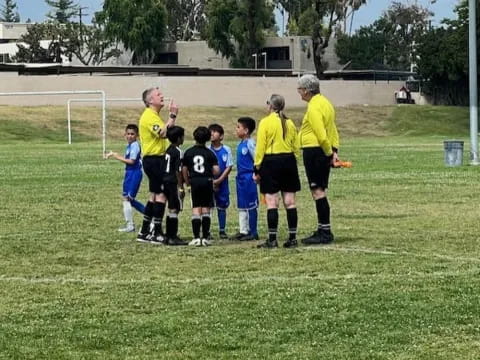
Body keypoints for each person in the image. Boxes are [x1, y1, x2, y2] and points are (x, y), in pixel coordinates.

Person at [297, 74, 339, 245]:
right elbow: (333, 130)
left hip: (315, 151)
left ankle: (325, 231)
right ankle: (323, 227)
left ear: (307, 90)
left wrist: (329, 153)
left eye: (300, 89)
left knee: (318, 191)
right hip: (322, 151)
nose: (299, 93)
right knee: (319, 189)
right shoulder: (326, 103)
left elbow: (322, 134)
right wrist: (334, 150)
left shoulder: (314, 107)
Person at [253, 94, 300, 248]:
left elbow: (260, 146)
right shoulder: (290, 123)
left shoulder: (266, 122)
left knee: (272, 202)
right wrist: (294, 159)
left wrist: (257, 166)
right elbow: (296, 145)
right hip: (289, 161)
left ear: (270, 106)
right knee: (290, 202)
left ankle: (272, 239)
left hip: (271, 161)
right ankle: (292, 237)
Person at [136, 87, 178, 244]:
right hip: (154, 160)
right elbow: (163, 133)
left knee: (153, 195)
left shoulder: (154, 116)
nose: (162, 96)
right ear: (150, 101)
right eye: (158, 95)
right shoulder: (149, 116)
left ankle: (145, 230)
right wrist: (172, 116)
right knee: (162, 194)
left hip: (153, 159)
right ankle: (157, 232)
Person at [182, 126, 220, 246]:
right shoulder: (210, 153)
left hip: (195, 181)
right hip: (207, 181)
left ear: (194, 137)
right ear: (208, 138)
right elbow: (216, 170)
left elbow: (184, 169)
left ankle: (196, 237)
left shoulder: (189, 152)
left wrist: (187, 182)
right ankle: (205, 237)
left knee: (196, 208)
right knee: (206, 209)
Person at [106, 124, 145, 233]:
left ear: (137, 135)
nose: (130, 136)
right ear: (125, 135)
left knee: (128, 199)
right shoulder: (130, 146)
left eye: (132, 134)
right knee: (127, 199)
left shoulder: (135, 146)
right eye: (128, 134)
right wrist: (114, 154)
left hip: (135, 174)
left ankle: (142, 220)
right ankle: (133, 223)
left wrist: (116, 156)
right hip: (129, 173)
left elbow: (132, 161)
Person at [232, 117, 259, 241]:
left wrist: (257, 173)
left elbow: (257, 159)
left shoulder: (250, 143)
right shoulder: (241, 144)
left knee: (251, 205)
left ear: (246, 130)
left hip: (249, 177)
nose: (236, 129)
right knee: (242, 205)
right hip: (241, 178)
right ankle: (243, 230)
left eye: (238, 127)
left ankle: (253, 232)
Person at [163, 126, 188, 245]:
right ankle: (172, 236)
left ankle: (168, 235)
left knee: (171, 207)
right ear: (179, 138)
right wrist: (180, 186)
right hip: (172, 182)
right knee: (174, 208)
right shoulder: (178, 151)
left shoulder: (168, 149)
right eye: (182, 136)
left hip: (165, 180)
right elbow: (178, 170)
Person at [208, 123, 233, 239]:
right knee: (209, 206)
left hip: (222, 183)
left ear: (221, 136)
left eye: (215, 131)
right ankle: (207, 230)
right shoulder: (207, 150)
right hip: (209, 183)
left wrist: (219, 180)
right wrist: (212, 181)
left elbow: (229, 167)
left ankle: (222, 230)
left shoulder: (226, 149)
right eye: (210, 131)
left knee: (222, 206)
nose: (212, 133)